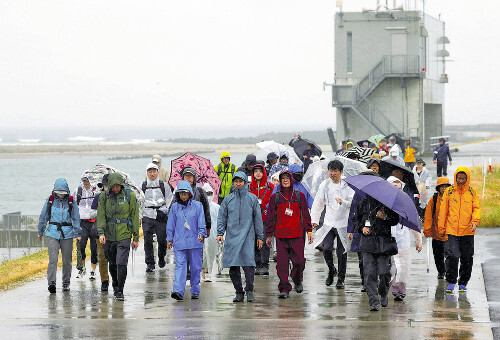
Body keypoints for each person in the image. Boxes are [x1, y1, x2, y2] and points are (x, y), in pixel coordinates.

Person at [217, 172, 264, 303]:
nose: (238, 184)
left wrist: (260, 236)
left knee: (249, 266)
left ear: (245, 183)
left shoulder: (252, 199)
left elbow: (258, 219)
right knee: (233, 267)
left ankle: (249, 290)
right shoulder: (228, 199)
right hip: (232, 237)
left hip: (248, 237)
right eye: (236, 181)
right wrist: (220, 233)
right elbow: (222, 217)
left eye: (240, 181)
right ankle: (239, 292)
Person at [266, 170, 313, 299]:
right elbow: (270, 217)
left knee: (299, 262)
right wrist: (269, 235)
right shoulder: (275, 197)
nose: (285, 180)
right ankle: (284, 288)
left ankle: (297, 279)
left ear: (291, 180)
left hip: (297, 235)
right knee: (282, 265)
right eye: (283, 178)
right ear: (280, 181)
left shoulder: (300, 195)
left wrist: (309, 231)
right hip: (280, 236)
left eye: (287, 178)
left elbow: (306, 215)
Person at [311, 160, 354, 289]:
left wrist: (344, 202)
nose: (333, 173)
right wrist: (314, 219)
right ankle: (331, 269)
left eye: (335, 171)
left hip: (343, 223)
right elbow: (319, 201)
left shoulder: (347, 184)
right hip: (329, 222)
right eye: (331, 170)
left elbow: (352, 202)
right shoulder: (325, 184)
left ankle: (341, 278)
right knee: (327, 249)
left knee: (342, 253)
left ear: (341, 172)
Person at [97, 173, 140, 301]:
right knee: (112, 262)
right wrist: (101, 233)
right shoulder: (104, 197)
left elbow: (134, 216)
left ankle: (120, 290)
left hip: (124, 234)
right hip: (109, 235)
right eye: (113, 186)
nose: (116, 189)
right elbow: (101, 216)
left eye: (118, 186)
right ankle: (115, 283)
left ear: (121, 185)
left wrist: (136, 237)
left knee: (121, 263)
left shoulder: (130, 196)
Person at [438, 167, 481, 293]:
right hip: (452, 231)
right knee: (452, 256)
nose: (461, 180)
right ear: (455, 178)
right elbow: (443, 211)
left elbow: (476, 208)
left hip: (468, 231)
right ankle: (451, 281)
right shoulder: (449, 192)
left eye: (463, 178)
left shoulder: (473, 192)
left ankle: (463, 282)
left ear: (467, 179)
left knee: (467, 257)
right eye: (459, 178)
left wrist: (475, 222)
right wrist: (442, 228)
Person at [355, 194, 400, 311]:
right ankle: (373, 301)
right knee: (369, 273)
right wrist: (362, 228)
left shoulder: (388, 204)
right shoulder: (362, 204)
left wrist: (385, 217)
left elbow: (395, 220)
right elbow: (356, 220)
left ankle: (384, 293)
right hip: (367, 243)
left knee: (384, 272)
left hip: (383, 244)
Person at [38, 178, 82, 293]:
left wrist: (78, 233)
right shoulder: (51, 200)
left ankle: (66, 283)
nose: (60, 195)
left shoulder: (71, 201)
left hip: (67, 233)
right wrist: (40, 230)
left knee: (67, 260)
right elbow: (44, 215)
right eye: (58, 193)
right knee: (53, 259)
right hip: (52, 232)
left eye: (62, 193)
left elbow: (76, 218)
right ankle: (51, 283)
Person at [167, 181, 206, 300]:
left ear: (190, 194)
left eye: (185, 193)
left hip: (195, 241)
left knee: (195, 267)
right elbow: (170, 224)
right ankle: (178, 291)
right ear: (177, 194)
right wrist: (169, 238)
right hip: (180, 241)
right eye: (181, 193)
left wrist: (201, 233)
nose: (183, 195)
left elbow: (201, 221)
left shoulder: (198, 206)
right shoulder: (174, 207)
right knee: (180, 266)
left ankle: (195, 289)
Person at [387, 176, 423, 302]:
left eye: (398, 184)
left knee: (403, 266)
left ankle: (399, 291)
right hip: (387, 239)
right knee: (390, 266)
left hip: (403, 240)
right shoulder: (384, 201)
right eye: (393, 184)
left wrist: (419, 240)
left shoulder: (406, 202)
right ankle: (388, 287)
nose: (395, 187)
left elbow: (414, 221)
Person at [347, 169, 380, 292]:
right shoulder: (358, 193)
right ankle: (365, 282)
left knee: (374, 258)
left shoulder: (379, 193)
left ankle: (373, 281)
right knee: (362, 258)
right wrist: (351, 229)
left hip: (376, 231)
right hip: (361, 230)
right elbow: (353, 212)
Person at [142, 162, 172, 273]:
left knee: (162, 239)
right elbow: (140, 201)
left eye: (154, 171)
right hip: (147, 214)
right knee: (147, 240)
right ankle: (150, 263)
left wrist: (167, 211)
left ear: (157, 172)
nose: (152, 174)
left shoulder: (164, 185)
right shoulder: (143, 186)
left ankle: (161, 257)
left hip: (161, 214)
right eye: (150, 172)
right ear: (147, 173)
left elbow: (169, 199)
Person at [249, 162, 275, 277]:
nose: (258, 174)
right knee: (254, 241)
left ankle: (265, 264)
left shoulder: (270, 186)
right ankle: (257, 264)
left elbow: (275, 200)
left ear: (263, 172)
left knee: (264, 241)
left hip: (265, 217)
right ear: (253, 174)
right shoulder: (249, 187)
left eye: (260, 171)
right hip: (253, 219)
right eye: (256, 172)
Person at [423, 177, 451, 279]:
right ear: (438, 188)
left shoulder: (452, 198)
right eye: (442, 187)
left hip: (449, 234)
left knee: (449, 255)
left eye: (446, 186)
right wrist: (427, 230)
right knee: (438, 255)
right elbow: (428, 215)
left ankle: (449, 272)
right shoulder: (434, 199)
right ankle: (441, 271)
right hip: (436, 233)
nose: (444, 188)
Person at [73, 174, 98, 280]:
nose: (86, 182)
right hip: (82, 221)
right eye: (84, 181)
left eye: (87, 180)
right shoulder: (77, 191)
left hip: (94, 221)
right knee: (81, 245)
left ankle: (93, 270)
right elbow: (73, 207)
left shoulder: (95, 190)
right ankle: (82, 268)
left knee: (94, 247)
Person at [90, 174, 111, 291]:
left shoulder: (117, 197)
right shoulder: (98, 197)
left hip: (113, 231)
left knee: (113, 256)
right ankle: (104, 280)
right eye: (105, 185)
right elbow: (91, 214)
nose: (107, 186)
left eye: (108, 184)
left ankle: (115, 279)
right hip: (99, 231)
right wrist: (101, 211)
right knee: (102, 257)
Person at [201, 183, 220, 281]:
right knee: (202, 254)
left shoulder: (216, 207)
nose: (208, 196)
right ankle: (203, 270)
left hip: (213, 235)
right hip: (201, 234)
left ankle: (208, 271)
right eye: (206, 193)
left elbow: (220, 221)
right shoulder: (199, 206)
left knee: (211, 253)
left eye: (210, 193)